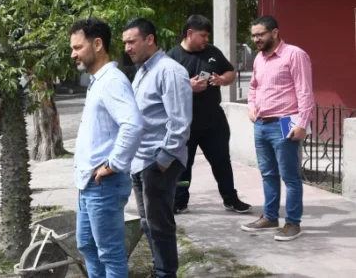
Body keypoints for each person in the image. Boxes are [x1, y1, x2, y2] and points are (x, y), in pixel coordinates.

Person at [70, 18, 143, 278]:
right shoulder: (98, 80)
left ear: (97, 44)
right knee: (87, 245)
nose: (73, 54)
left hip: (104, 185)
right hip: (89, 183)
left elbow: (132, 125)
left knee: (110, 253)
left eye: (78, 47)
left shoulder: (112, 80)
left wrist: (112, 165)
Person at [123, 18, 193, 278]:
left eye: (132, 41)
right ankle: (159, 268)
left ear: (149, 39)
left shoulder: (169, 71)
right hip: (141, 161)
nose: (128, 48)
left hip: (159, 161)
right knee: (148, 223)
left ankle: (166, 273)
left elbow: (180, 122)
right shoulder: (143, 71)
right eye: (125, 43)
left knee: (159, 224)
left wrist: (163, 159)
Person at [166, 15, 251, 214]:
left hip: (214, 122)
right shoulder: (172, 58)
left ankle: (230, 199)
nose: (206, 39)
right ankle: (179, 201)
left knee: (222, 161)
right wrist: (189, 87)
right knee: (183, 166)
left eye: (207, 36)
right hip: (185, 124)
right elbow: (164, 90)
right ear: (189, 33)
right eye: (202, 35)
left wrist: (221, 79)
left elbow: (230, 72)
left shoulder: (212, 52)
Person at [240, 16, 314, 242]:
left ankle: (293, 223)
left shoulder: (294, 55)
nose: (256, 39)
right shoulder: (259, 59)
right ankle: (270, 217)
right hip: (261, 124)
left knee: (290, 177)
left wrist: (302, 123)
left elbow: (305, 92)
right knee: (268, 174)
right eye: (253, 35)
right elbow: (253, 87)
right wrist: (251, 107)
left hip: (285, 122)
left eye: (260, 34)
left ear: (274, 32)